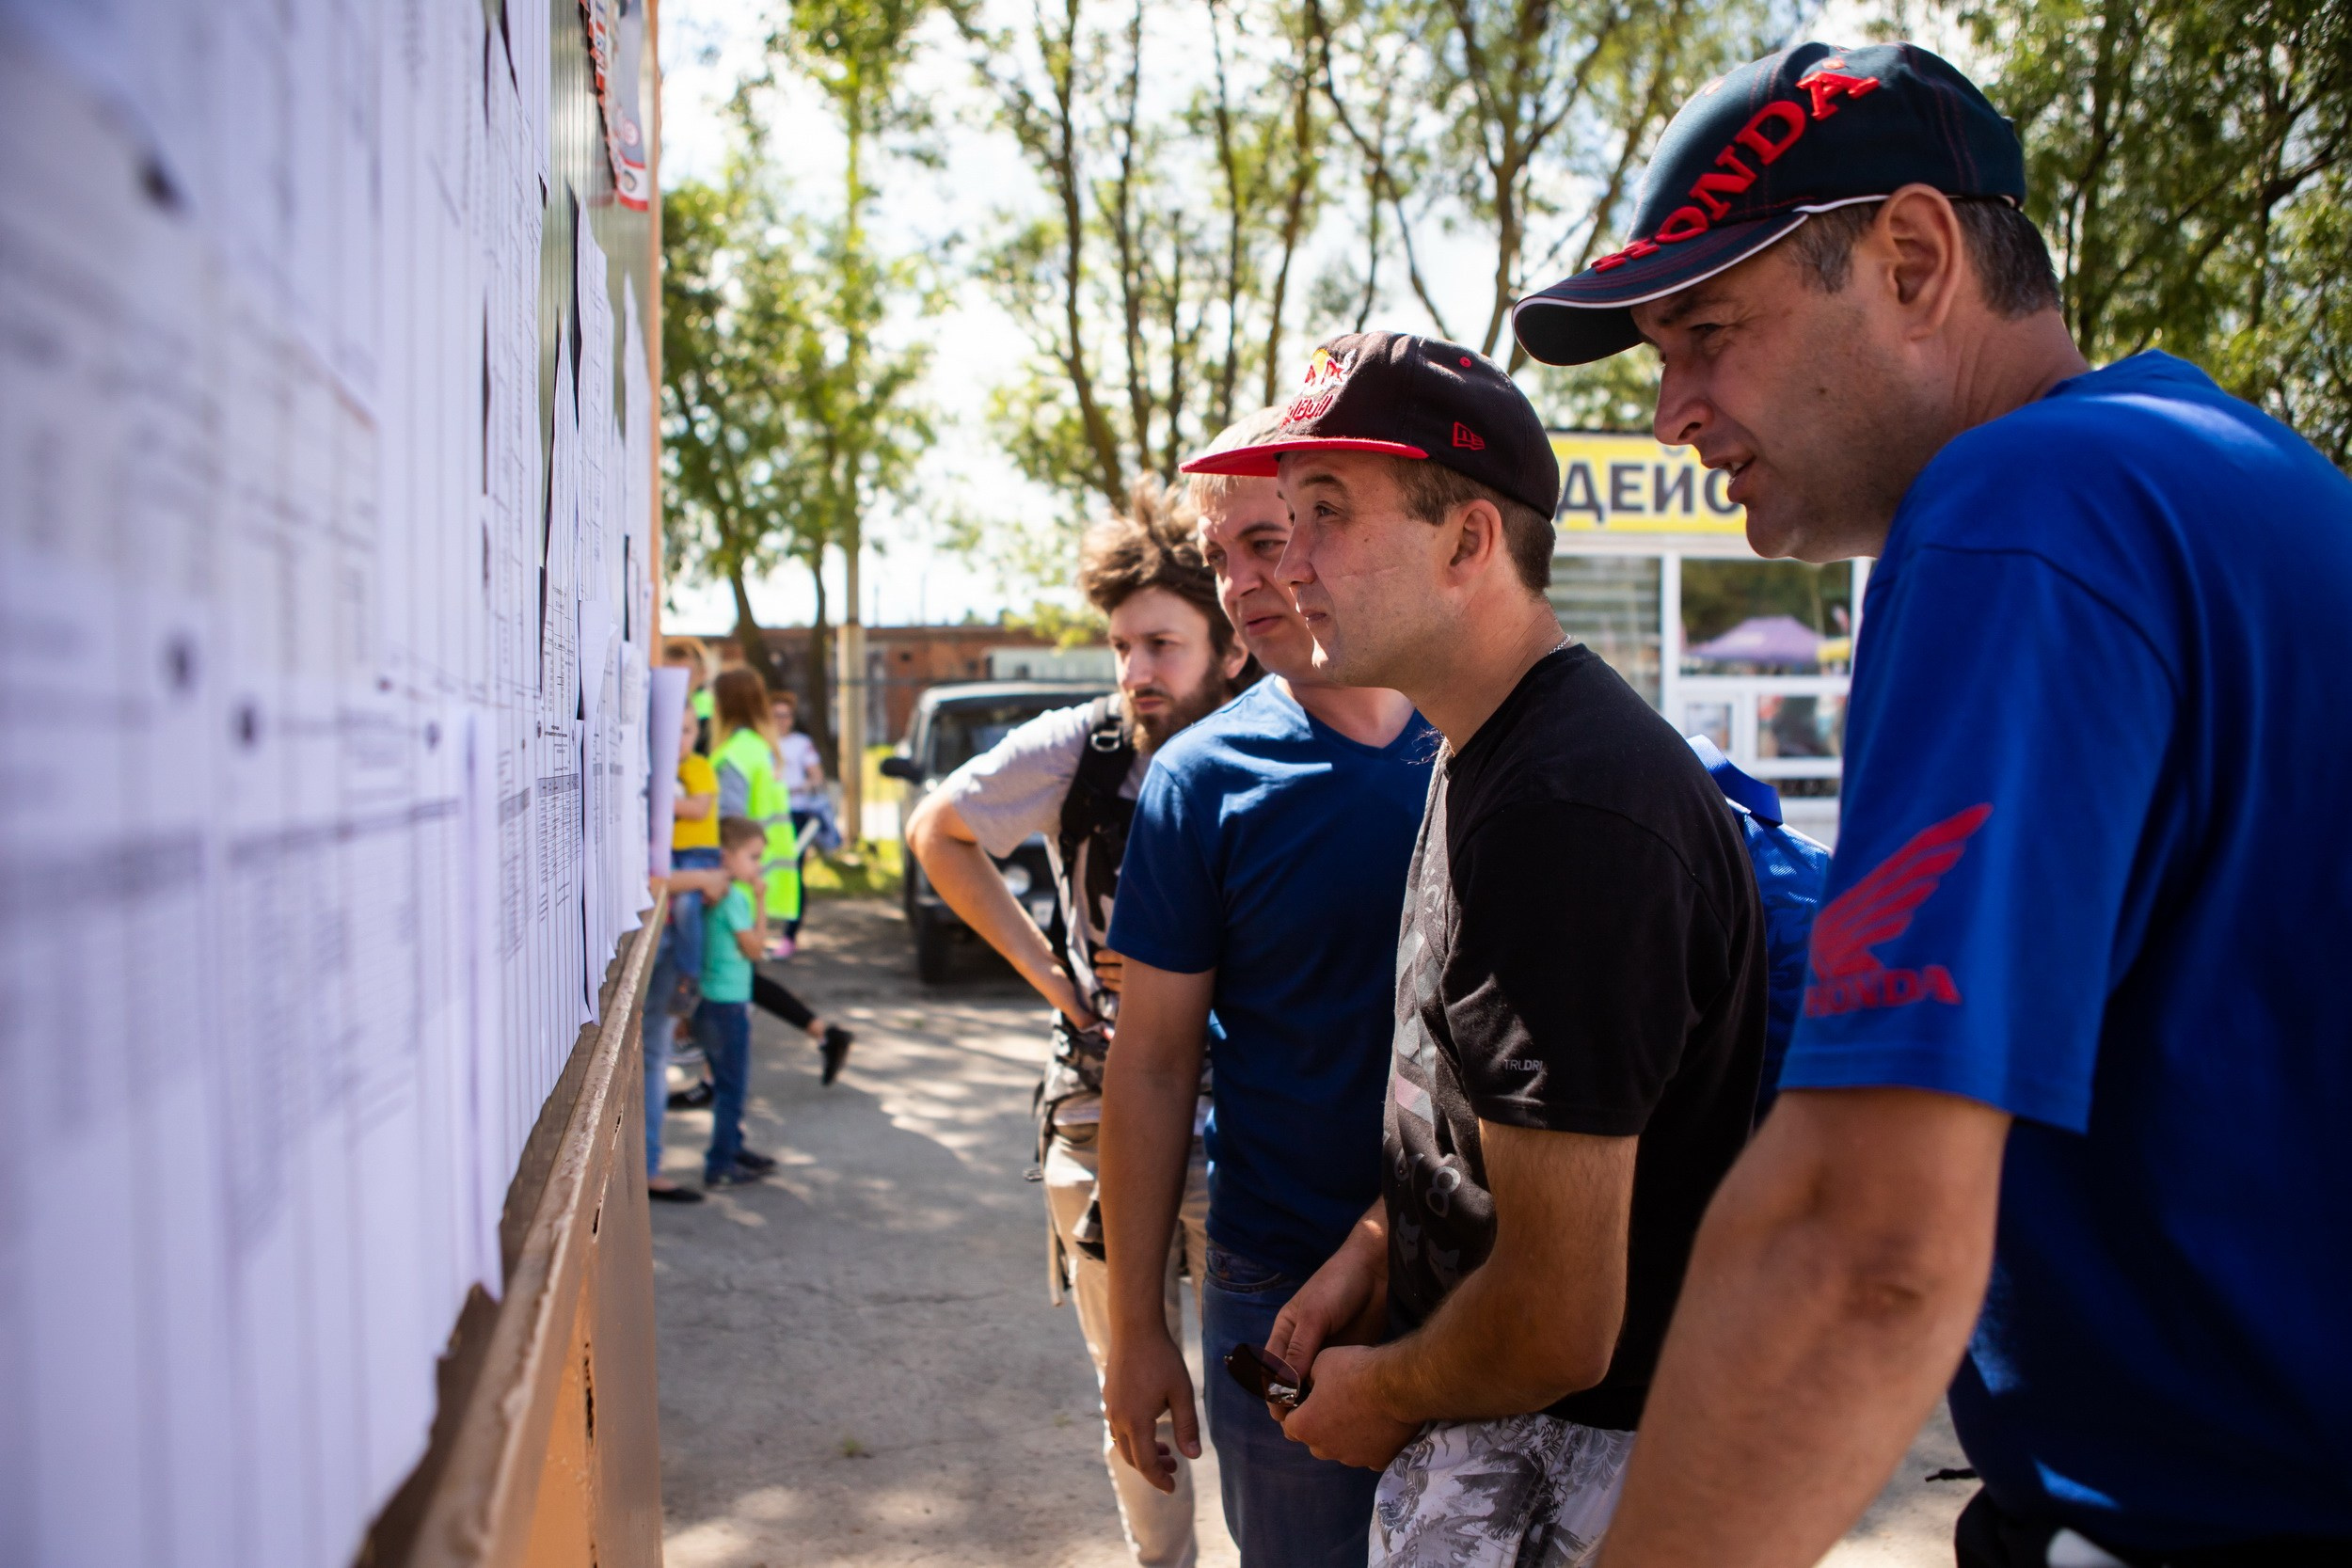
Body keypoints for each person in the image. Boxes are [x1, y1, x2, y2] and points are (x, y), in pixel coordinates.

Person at [1500, 41, 2352, 1568]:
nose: (1676, 408)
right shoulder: (2233, 479)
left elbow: (1862, 1241)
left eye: (1706, 331)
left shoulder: (2021, 508)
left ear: (1911, 256)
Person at [1180, 331, 1766, 1566]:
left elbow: (1560, 1318)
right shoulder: (1483, 744)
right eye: (1286, 516)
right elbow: (1467, 1112)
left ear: (1467, 542)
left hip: (1577, 1474)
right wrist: (1370, 1253)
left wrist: (1381, 1388)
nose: (1292, 558)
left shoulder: (1571, 807)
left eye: (1327, 512)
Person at [1098, 407, 1437, 1567]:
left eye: (1266, 539)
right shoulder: (1200, 781)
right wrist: (1135, 1325)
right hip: (1276, 1282)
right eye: (1221, 556)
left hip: (1487, 1279)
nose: (1243, 582)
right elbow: (1148, 1063)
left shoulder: (1488, 737)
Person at [904, 485, 1249, 1568]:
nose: (1136, 671)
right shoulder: (1081, 749)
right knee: (1129, 1378)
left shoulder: (1273, 745)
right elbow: (938, 830)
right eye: (1121, 645)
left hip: (1251, 1121)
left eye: (1162, 644)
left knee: (1261, 1391)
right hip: (1097, 1111)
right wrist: (1051, 975)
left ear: (1230, 648)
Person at [709, 666, 805, 958]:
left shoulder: (734, 754)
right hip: (756, 879)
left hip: (736, 884)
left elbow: (728, 823)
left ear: (722, 705)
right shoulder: (760, 749)